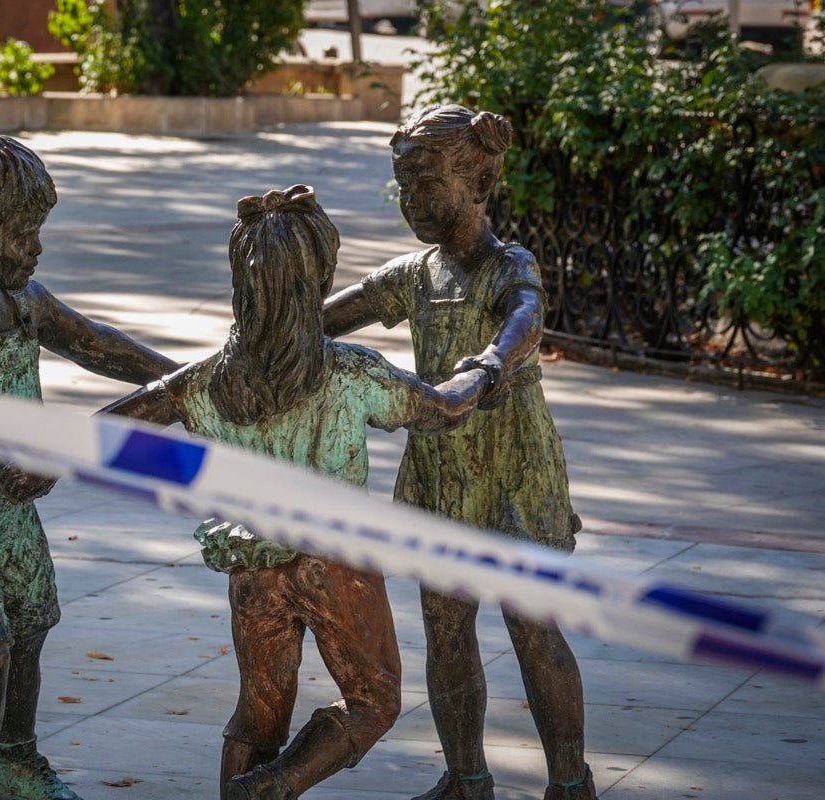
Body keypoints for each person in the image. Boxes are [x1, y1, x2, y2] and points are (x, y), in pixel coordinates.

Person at [104, 184, 491, 800]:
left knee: (259, 711)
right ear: (319, 278)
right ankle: (275, 784)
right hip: (336, 563)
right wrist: (484, 372)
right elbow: (443, 410)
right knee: (374, 700)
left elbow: (113, 426)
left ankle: (248, 785)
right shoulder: (347, 370)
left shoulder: (202, 382)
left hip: (252, 564)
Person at [0, 131, 179, 800]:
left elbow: (96, 344)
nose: (35, 246)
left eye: (36, 229)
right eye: (21, 232)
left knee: (30, 627)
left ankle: (16, 759)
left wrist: (186, 377)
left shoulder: (22, 301)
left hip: (6, 512)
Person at [322, 105, 596, 800]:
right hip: (441, 466)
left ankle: (570, 783)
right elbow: (326, 316)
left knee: (532, 626)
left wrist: (490, 364)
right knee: (445, 628)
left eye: (424, 183)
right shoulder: (414, 273)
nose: (411, 201)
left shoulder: (509, 265)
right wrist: (279, 305)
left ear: (478, 181)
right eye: (403, 187)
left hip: (509, 463)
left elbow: (526, 315)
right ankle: (466, 779)